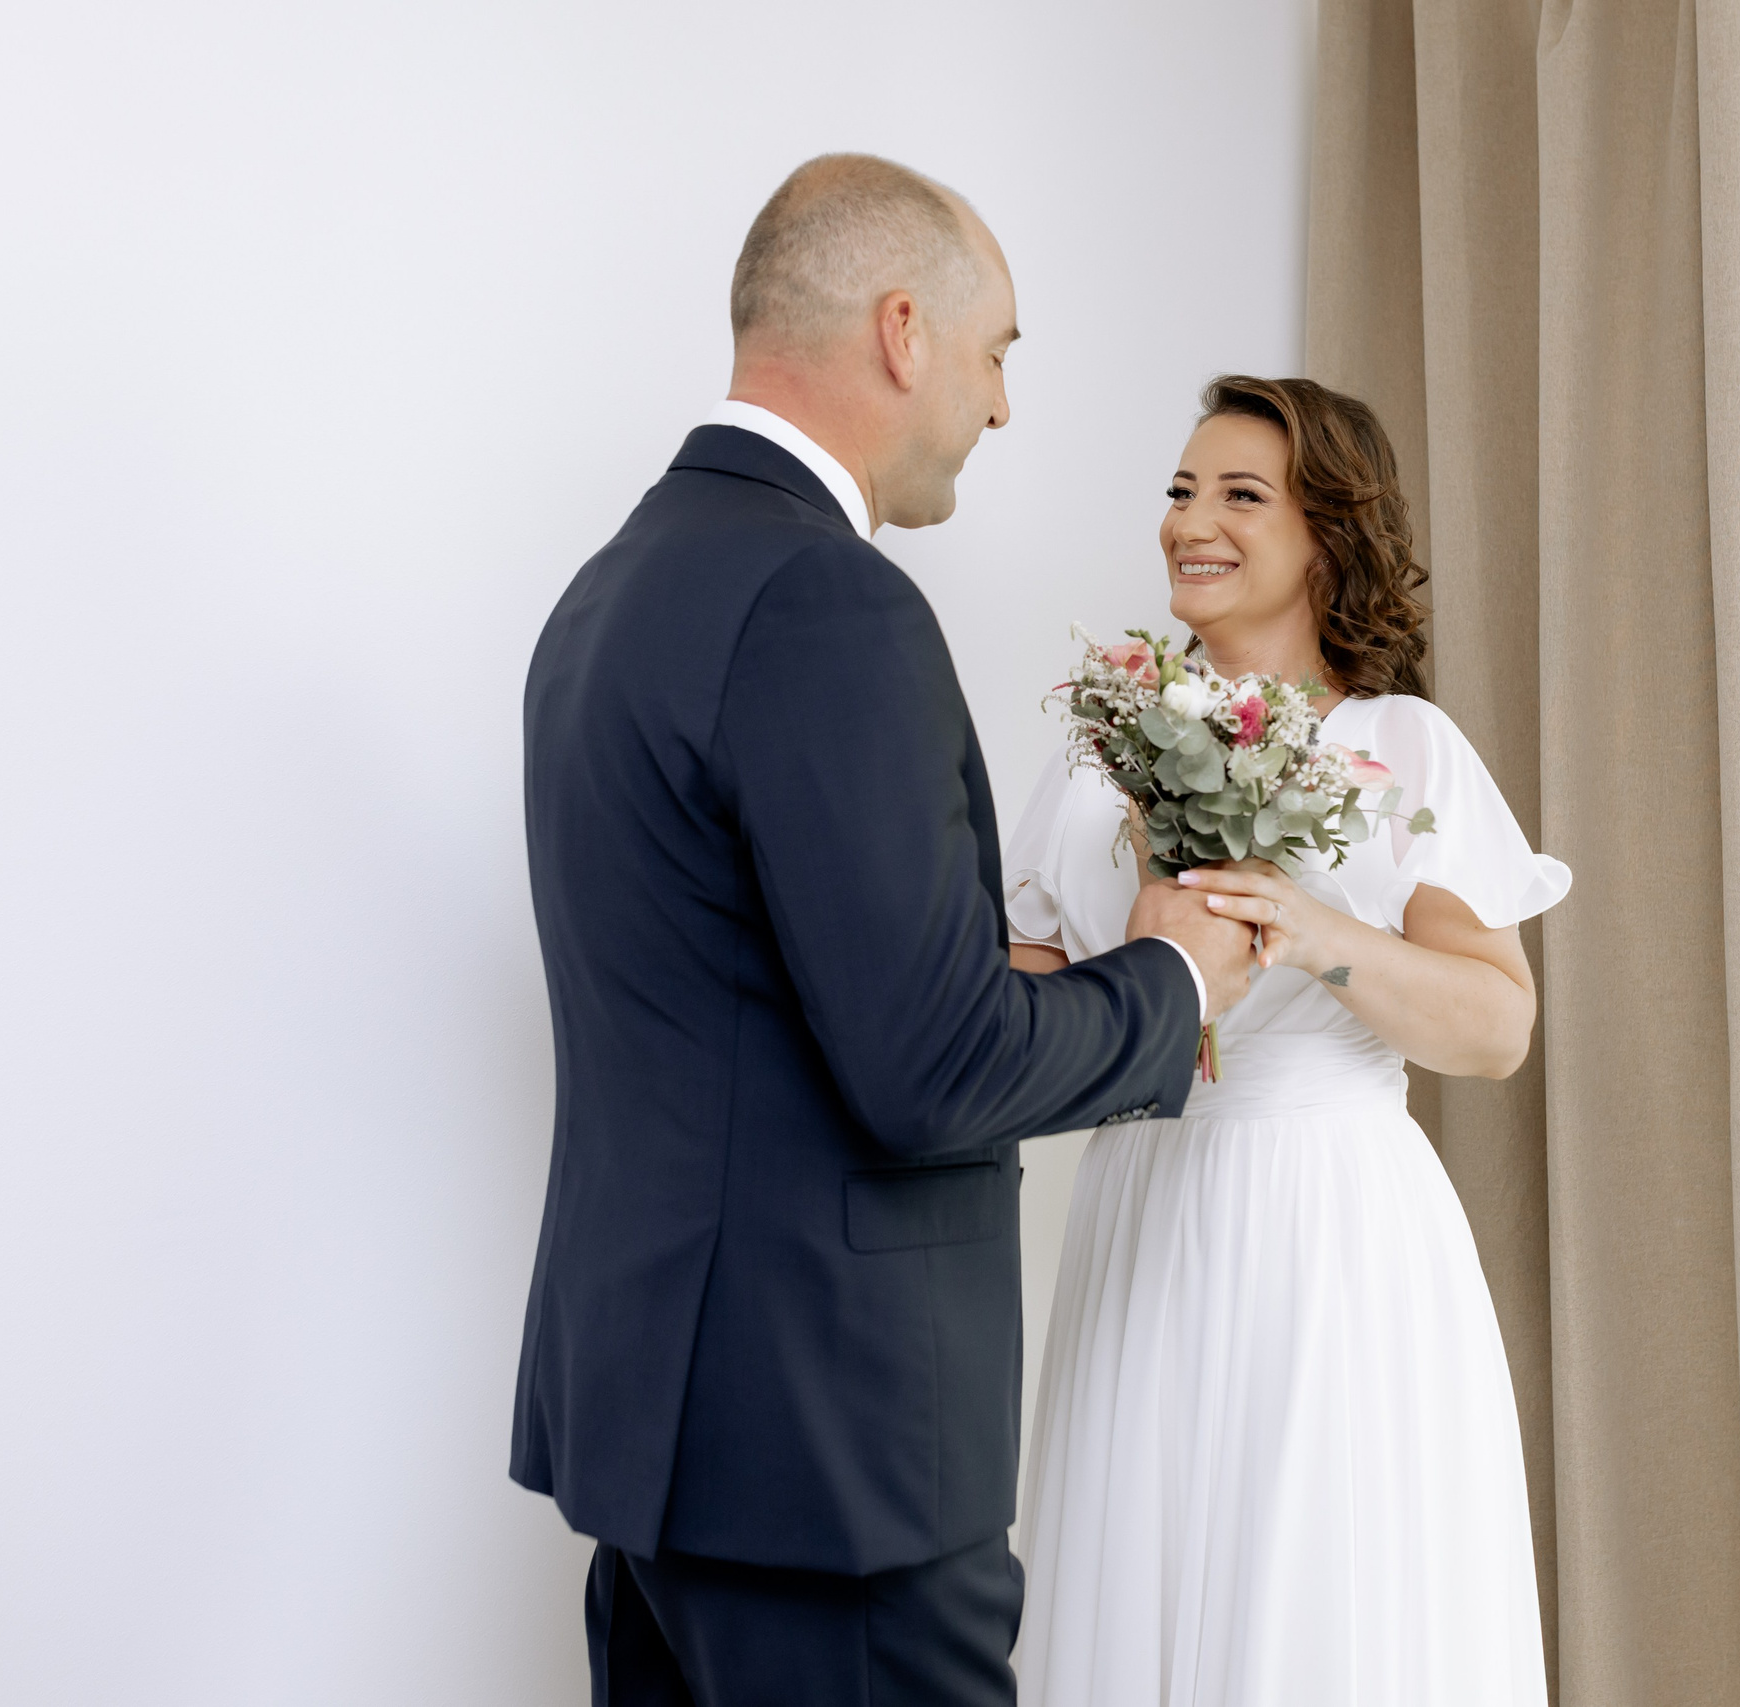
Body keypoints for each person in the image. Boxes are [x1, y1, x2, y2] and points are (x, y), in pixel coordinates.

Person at [509, 155, 1258, 1706]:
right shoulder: (824, 600)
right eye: (996, 355)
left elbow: (759, 992)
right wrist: (1174, 976)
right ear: (903, 332)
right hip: (828, 1460)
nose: (1002, 408)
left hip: (659, 1434)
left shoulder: (609, 592)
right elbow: (930, 1071)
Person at [1008, 376, 1569, 1704]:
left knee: (1318, 1592)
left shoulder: (1403, 746)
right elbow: (1015, 1007)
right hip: (1143, 1215)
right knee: (1142, 1578)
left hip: (1332, 1231)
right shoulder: (1096, 756)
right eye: (1180, 491)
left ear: (1328, 535)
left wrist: (1317, 932)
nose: (1190, 522)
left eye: (1240, 495)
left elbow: (1497, 1026)